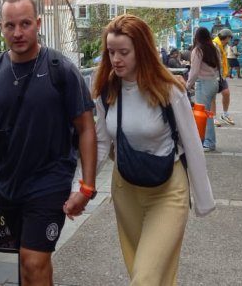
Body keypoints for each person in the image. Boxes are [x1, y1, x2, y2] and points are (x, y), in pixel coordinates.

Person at [0, 0, 97, 286]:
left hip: (50, 179)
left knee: (34, 260)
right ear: (1, 27)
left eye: (25, 24)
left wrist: (86, 186)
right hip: (8, 182)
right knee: (28, 261)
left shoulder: (62, 70)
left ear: (38, 24)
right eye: (10, 25)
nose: (17, 33)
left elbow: (86, 128)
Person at [87, 14, 215, 285]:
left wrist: (203, 200)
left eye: (124, 52)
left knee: (145, 277)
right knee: (149, 274)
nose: (116, 59)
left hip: (168, 190)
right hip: (125, 190)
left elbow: (192, 144)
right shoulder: (106, 91)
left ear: (142, 50)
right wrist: (84, 187)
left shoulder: (168, 89)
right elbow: (101, 142)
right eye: (111, 52)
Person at [186, 27, 221, 151]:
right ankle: (204, 140)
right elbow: (219, 66)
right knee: (208, 113)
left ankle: (209, 142)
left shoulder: (197, 50)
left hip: (203, 84)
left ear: (197, 37)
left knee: (203, 114)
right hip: (213, 82)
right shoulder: (215, 48)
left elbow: (194, 72)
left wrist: (187, 85)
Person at [210, 29, 234, 126]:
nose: (229, 40)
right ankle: (213, 117)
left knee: (226, 93)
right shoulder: (214, 45)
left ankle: (224, 114)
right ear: (226, 37)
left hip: (221, 74)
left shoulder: (223, 46)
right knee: (213, 97)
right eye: (229, 38)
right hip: (213, 74)